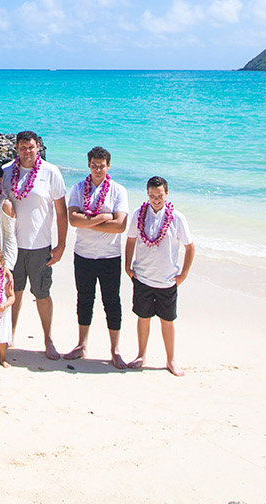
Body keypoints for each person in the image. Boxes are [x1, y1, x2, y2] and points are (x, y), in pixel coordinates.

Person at [0, 130, 68, 359]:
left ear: (38, 147)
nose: (27, 152)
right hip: (12, 246)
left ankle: (48, 340)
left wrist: (61, 245)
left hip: (40, 246)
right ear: (16, 148)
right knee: (13, 292)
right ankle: (8, 335)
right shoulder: (7, 172)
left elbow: (61, 212)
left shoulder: (51, 172)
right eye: (22, 148)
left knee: (42, 294)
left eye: (31, 147)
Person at [65, 145, 130, 368]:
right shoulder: (77, 188)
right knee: (84, 299)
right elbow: (73, 220)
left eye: (102, 166)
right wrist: (103, 217)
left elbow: (120, 225)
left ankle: (115, 350)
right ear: (89, 165)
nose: (98, 170)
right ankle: (81, 345)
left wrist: (88, 221)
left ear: (108, 166)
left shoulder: (118, 190)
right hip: (83, 254)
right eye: (94, 166)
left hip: (109, 256)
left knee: (112, 302)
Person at [123, 175, 196, 376]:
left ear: (167, 194)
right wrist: (127, 267)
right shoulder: (139, 214)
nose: (156, 199)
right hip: (142, 277)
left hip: (167, 280)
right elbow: (130, 241)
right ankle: (141, 355)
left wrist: (183, 274)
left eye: (160, 195)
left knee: (167, 320)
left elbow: (190, 247)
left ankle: (171, 359)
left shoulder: (177, 218)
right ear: (147, 194)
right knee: (143, 317)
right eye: (152, 195)